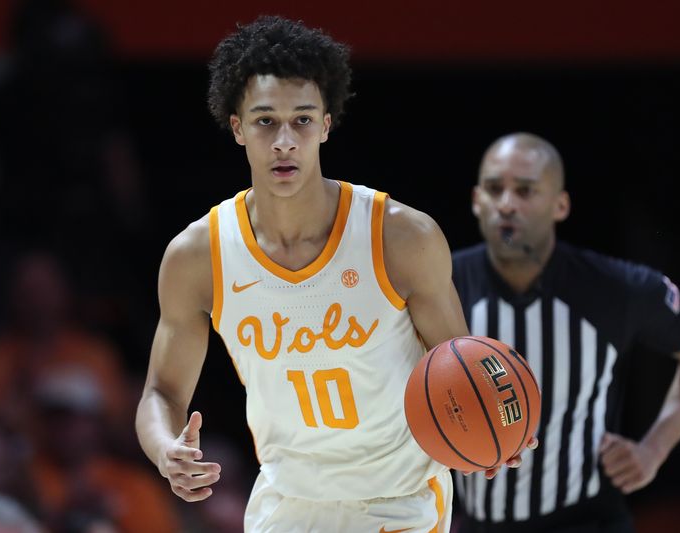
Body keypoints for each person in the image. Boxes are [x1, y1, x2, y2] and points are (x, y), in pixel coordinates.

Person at [135, 15, 533, 533]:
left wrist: (494, 432)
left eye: (301, 120)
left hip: (400, 500)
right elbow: (161, 393)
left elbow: (461, 365)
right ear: (237, 128)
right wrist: (167, 450)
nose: (284, 140)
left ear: (325, 124)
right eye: (264, 121)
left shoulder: (400, 237)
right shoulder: (198, 256)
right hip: (288, 501)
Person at [451, 132, 680, 532]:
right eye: (495, 189)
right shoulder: (440, 285)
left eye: (525, 190)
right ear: (475, 200)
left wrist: (655, 448)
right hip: (476, 522)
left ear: (561, 205)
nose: (507, 204)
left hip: (586, 521)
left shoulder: (615, 288)